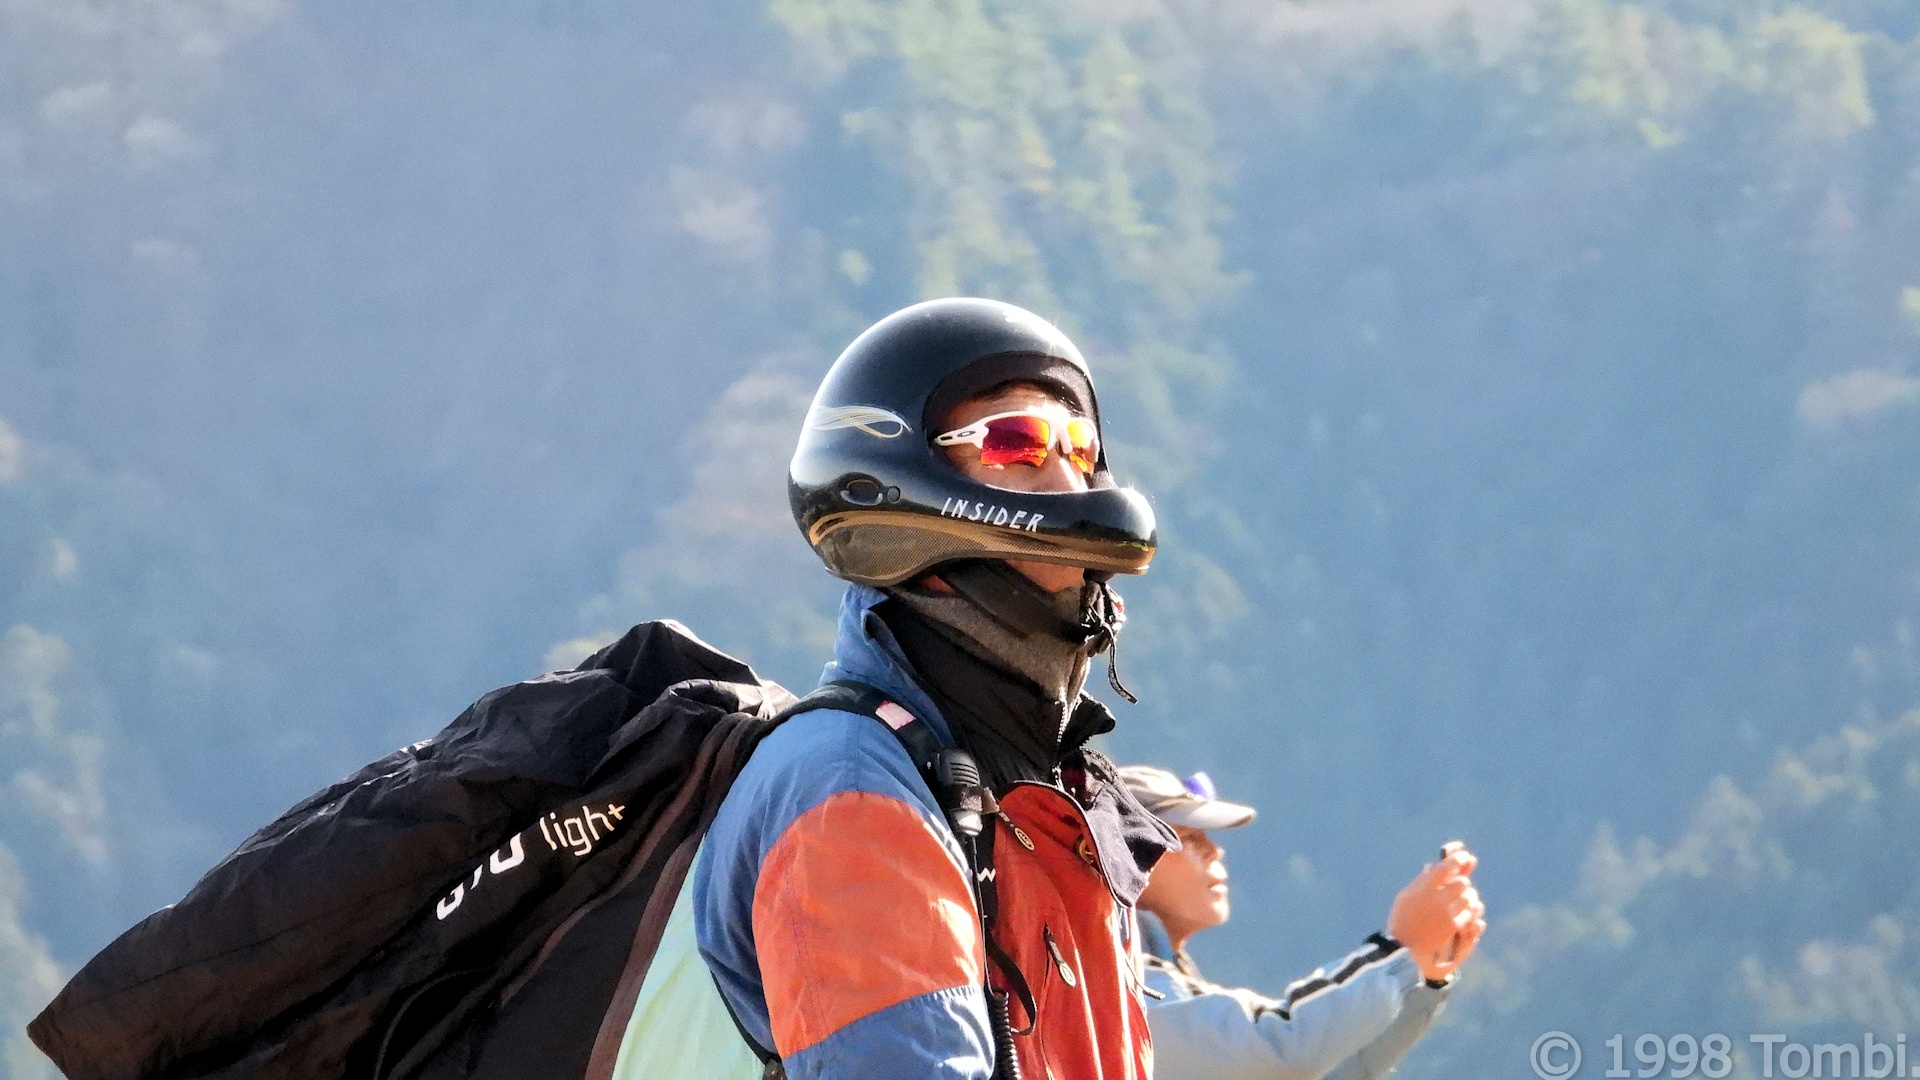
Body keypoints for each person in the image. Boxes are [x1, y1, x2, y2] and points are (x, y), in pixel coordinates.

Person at [689, 298, 1174, 1080]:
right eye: (1015, 441)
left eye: (1079, 446)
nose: (1068, 479)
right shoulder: (850, 792)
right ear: (904, 483)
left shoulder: (1047, 785)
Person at [1119, 766, 1487, 1080]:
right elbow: (1281, 1044)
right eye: (1187, 838)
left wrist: (1423, 976)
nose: (1215, 850)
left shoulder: (1153, 980)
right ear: (1121, 858)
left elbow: (1324, 1068)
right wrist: (1397, 949)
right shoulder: (1121, 983)